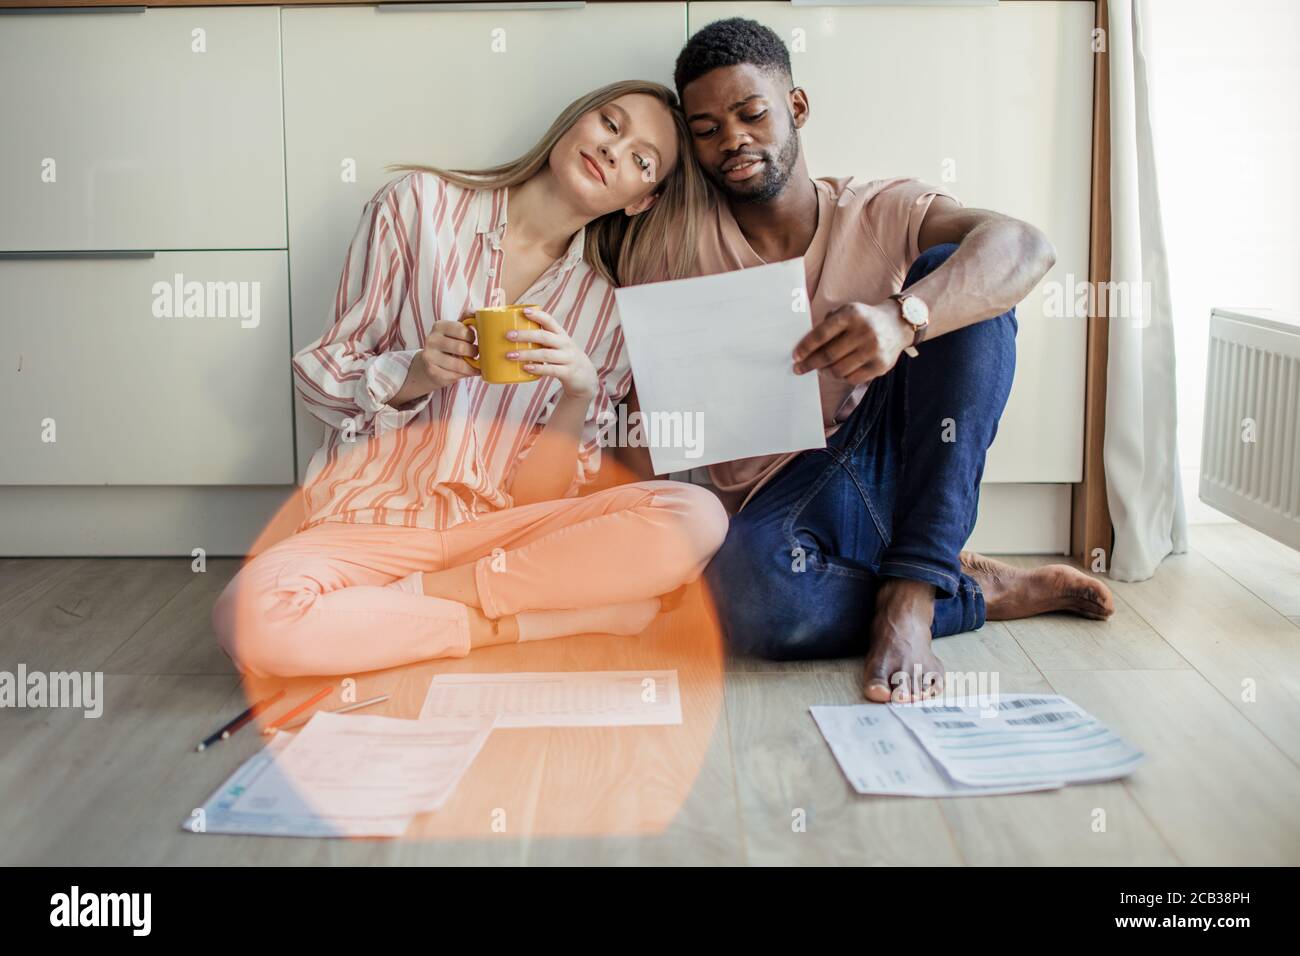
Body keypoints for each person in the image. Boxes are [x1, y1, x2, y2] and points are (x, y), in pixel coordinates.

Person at [623, 18, 1115, 702]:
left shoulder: (881, 209)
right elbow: (649, 437)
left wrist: (902, 317)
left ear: (796, 108)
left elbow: (1025, 247)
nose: (732, 138)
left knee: (960, 276)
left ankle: (912, 596)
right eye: (706, 130)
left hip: (892, 460)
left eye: (752, 113)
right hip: (785, 503)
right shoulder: (669, 250)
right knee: (744, 604)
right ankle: (970, 588)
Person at [213, 80, 726, 678]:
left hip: (502, 535)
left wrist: (578, 392)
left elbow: (537, 501)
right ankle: (526, 622)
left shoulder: (606, 310)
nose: (614, 151)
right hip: (369, 521)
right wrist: (415, 373)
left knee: (695, 516)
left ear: (641, 199)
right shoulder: (416, 207)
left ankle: (411, 605)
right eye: (610, 125)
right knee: (247, 618)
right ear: (574, 121)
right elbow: (321, 378)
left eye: (642, 159)